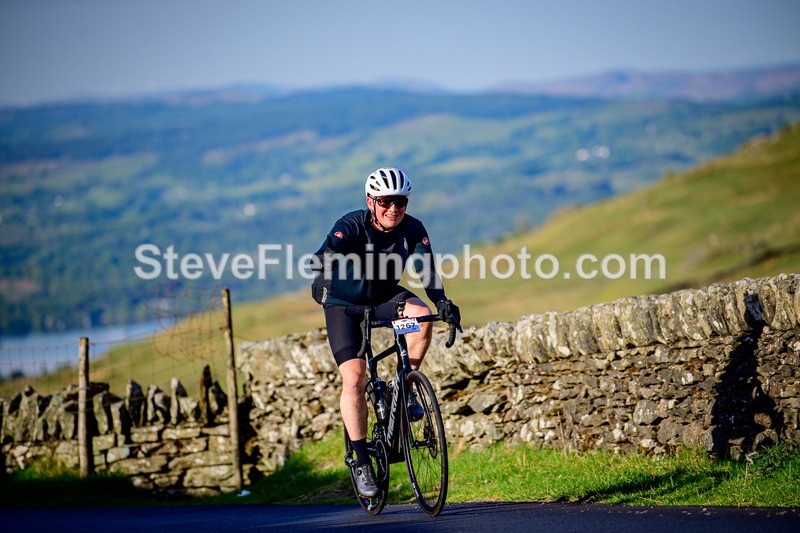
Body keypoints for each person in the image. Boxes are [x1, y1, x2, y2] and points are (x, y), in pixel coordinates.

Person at [311, 167, 461, 498]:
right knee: (354, 378)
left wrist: (442, 302)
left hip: (382, 299)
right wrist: (326, 263)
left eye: (400, 202)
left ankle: (404, 387)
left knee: (422, 316)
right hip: (344, 305)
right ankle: (362, 461)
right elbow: (325, 253)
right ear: (371, 202)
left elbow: (426, 271)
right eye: (384, 202)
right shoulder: (352, 224)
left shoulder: (413, 228)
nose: (393, 209)